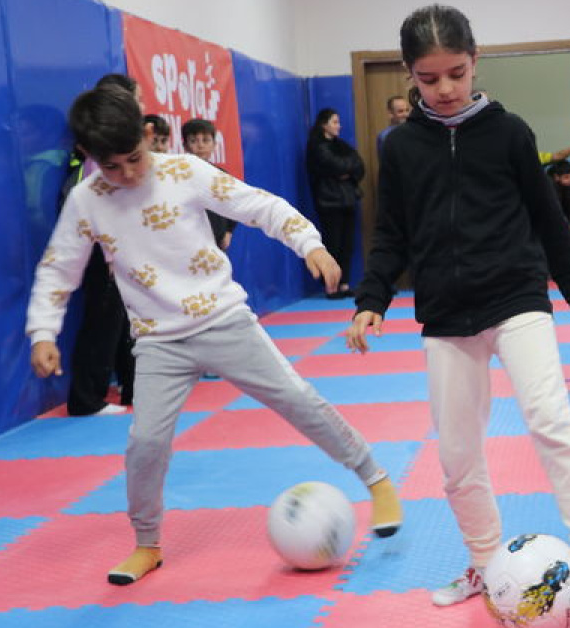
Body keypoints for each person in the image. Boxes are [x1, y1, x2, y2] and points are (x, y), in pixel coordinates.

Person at [27, 86, 403, 586]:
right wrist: (42, 332)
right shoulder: (86, 201)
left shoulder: (184, 172)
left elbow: (259, 206)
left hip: (223, 320)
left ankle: (375, 480)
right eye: (112, 167)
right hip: (159, 340)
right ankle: (147, 543)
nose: (129, 174)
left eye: (135, 158)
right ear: (90, 158)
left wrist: (309, 244)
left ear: (147, 135)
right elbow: (59, 269)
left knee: (297, 397)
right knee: (145, 442)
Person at [345, 5, 570, 622]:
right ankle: (487, 562)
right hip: (444, 312)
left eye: (456, 74)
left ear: (476, 61)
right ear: (410, 76)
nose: (444, 90)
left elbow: (548, 219)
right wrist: (372, 301)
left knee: (551, 421)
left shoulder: (510, 132)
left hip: (517, 297)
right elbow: (391, 234)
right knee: (457, 456)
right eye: (428, 78)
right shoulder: (401, 146)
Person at [57, 73, 144, 416]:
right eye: (136, 101)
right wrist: (110, 253)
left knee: (119, 322)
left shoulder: (115, 156)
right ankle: (86, 399)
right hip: (100, 251)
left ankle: (127, 385)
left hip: (113, 250)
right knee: (102, 322)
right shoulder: (98, 161)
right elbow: (101, 214)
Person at [306, 108, 365, 299]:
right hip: (329, 201)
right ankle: (331, 285)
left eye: (339, 122)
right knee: (333, 243)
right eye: (334, 122)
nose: (338, 126)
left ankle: (345, 283)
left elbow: (358, 165)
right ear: (324, 124)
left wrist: (345, 170)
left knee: (347, 244)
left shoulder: (341, 146)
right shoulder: (316, 146)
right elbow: (336, 166)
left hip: (347, 199)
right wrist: (343, 168)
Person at [181, 118, 236, 251]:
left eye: (206, 140)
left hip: (217, 244)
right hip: (189, 244)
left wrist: (229, 231)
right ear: (185, 146)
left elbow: (233, 203)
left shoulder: (221, 175)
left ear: (214, 145)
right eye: (194, 141)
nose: (200, 146)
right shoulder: (180, 175)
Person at [547, 159, 570, 256]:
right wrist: (566, 224)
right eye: (566, 177)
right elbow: (554, 207)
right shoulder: (550, 185)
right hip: (555, 218)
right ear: (556, 177)